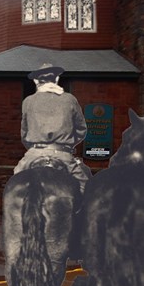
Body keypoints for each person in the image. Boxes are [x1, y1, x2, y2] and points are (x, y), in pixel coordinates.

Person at [14, 63, 91, 192]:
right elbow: (81, 130)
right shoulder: (70, 99)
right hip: (63, 154)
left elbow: (24, 133)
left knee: (16, 182)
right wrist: (67, 145)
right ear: (56, 79)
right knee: (86, 187)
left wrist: (34, 147)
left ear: (37, 81)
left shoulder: (28, 101)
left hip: (34, 154)